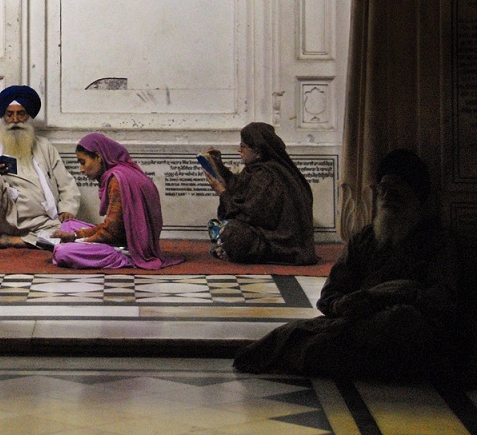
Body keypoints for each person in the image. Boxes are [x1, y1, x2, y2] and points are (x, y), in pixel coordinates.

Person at [233, 149, 463, 378]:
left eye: (398, 192)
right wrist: (343, 305)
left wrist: (388, 296)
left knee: (398, 321)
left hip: (402, 331)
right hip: (356, 326)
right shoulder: (365, 239)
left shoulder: (438, 242)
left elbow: (443, 301)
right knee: (300, 337)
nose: (388, 199)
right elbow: (330, 295)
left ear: (417, 197)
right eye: (384, 191)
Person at [51, 133, 183, 270]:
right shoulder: (121, 173)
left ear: (98, 157)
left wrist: (78, 241)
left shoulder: (117, 181)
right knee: (68, 225)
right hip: (119, 237)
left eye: (83, 162)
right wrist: (74, 235)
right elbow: (112, 226)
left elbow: (111, 233)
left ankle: (124, 260)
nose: (82, 170)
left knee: (63, 252)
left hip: (129, 248)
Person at [0, 85, 81, 248]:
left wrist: (67, 209)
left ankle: (19, 241)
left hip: (40, 222)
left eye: (21, 114)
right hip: (3, 219)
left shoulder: (45, 147)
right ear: (4, 117)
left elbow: (66, 183)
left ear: (29, 116)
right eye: (10, 115)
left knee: (67, 236)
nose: (15, 120)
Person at [205, 122, 316, 265]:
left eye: (244, 147)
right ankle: (225, 247)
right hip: (269, 237)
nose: (239, 150)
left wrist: (222, 193)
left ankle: (228, 247)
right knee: (219, 226)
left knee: (234, 232)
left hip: (281, 244)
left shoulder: (267, 175)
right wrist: (218, 165)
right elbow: (239, 189)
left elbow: (251, 215)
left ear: (258, 152)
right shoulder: (258, 169)